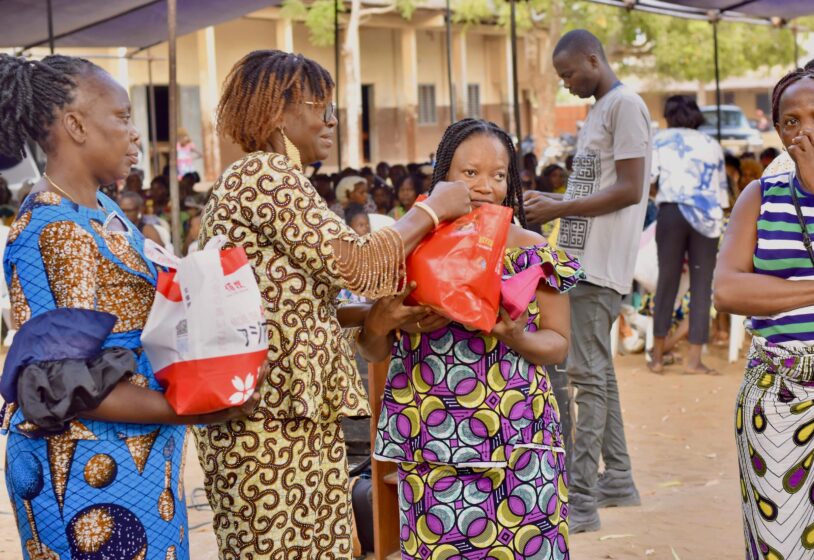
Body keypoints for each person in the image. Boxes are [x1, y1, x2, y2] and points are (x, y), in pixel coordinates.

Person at [192, 49, 471, 559]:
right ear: (277, 111)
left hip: (283, 417)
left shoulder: (267, 178)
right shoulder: (264, 176)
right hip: (268, 427)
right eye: (321, 105)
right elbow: (356, 264)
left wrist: (373, 318)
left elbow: (287, 304)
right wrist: (431, 210)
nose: (332, 119)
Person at [0, 53, 260, 560]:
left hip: (136, 459)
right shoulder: (55, 230)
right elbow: (57, 385)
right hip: (85, 473)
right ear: (75, 125)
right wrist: (198, 412)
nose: (136, 135)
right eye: (121, 117)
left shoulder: (103, 210)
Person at [361, 118, 580, 559]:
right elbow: (372, 348)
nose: (486, 186)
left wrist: (516, 336)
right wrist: (383, 323)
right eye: (470, 173)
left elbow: (558, 344)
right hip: (434, 445)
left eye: (499, 175)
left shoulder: (531, 250)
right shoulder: (408, 247)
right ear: (442, 176)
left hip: (520, 439)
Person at [715, 67, 814, 559]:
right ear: (779, 132)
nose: (806, 130)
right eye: (791, 121)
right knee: (780, 543)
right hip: (774, 399)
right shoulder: (760, 197)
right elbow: (727, 291)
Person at [523, 29, 650, 533]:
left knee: (586, 378)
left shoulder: (626, 106)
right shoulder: (600, 108)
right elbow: (595, 184)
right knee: (598, 372)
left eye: (569, 74)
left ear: (593, 60)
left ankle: (580, 502)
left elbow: (631, 187)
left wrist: (561, 205)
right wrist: (553, 202)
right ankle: (617, 479)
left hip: (600, 265)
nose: (566, 84)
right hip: (578, 261)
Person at [647, 95, 727, 375]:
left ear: (668, 115)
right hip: (707, 217)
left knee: (667, 282)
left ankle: (657, 358)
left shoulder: (660, 139)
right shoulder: (712, 144)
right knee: (702, 286)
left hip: (671, 212)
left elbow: (649, 179)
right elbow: (721, 193)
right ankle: (693, 360)